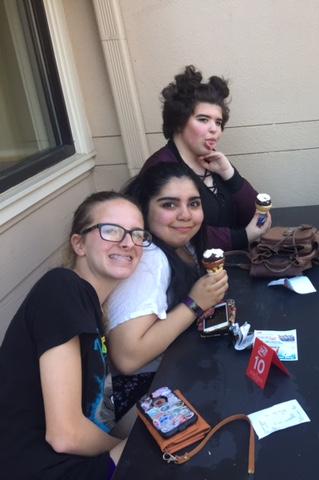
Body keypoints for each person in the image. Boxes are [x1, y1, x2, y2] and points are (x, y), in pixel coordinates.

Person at [0, 191, 148, 478]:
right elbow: (65, 435)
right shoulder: (61, 288)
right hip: (45, 469)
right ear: (78, 244)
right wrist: (127, 447)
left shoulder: (89, 308)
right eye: (111, 230)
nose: (128, 242)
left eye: (137, 234)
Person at [106, 163, 228, 419]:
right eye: (169, 204)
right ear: (144, 210)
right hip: (139, 397)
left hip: (177, 367)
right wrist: (195, 303)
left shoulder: (184, 245)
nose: (185, 215)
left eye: (194, 203)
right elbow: (127, 358)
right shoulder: (149, 259)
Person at [142, 65, 271, 251]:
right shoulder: (160, 167)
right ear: (179, 122)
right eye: (203, 119)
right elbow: (178, 231)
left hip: (239, 265)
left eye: (218, 122)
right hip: (200, 274)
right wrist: (242, 237)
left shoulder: (214, 162)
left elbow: (259, 214)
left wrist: (230, 174)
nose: (214, 129)